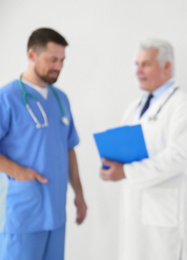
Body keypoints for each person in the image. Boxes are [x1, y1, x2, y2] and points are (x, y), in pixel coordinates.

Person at [100, 39, 187, 260]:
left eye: (145, 64)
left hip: (166, 218)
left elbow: (180, 157)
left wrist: (126, 172)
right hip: (135, 215)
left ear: (167, 67)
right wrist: (111, 165)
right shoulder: (135, 108)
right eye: (136, 64)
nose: (137, 71)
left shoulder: (182, 107)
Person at [0, 28, 87, 260]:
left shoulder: (61, 99)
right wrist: (19, 172)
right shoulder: (7, 98)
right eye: (52, 59)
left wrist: (79, 192)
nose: (59, 66)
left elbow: (69, 148)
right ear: (32, 55)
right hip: (23, 212)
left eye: (62, 60)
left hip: (56, 212)